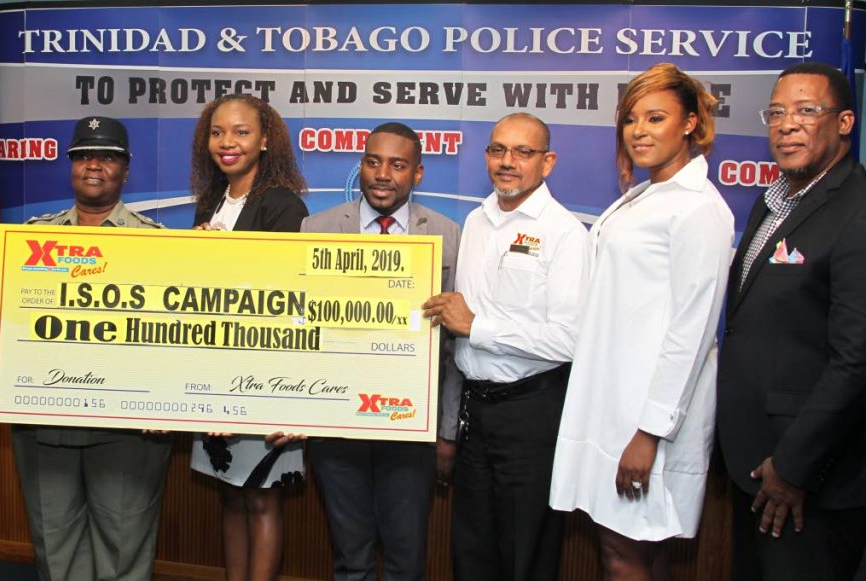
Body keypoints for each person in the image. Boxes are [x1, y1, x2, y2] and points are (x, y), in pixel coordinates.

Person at [549, 63, 733, 579]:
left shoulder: (698, 208)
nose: (640, 131)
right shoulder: (646, 196)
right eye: (631, 120)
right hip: (611, 405)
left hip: (648, 418)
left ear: (691, 123)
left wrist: (649, 433)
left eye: (656, 117)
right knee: (632, 550)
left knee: (625, 553)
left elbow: (691, 330)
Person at [423, 113, 589, 581]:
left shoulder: (565, 234)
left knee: (526, 554)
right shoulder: (476, 221)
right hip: (476, 413)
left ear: (547, 162)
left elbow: (571, 339)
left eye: (523, 152)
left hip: (531, 414)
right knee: (472, 551)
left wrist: (479, 327)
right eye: (498, 150)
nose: (508, 162)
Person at [717, 62, 866, 581]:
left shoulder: (856, 210)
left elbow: (856, 361)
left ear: (845, 122)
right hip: (751, 465)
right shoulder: (773, 201)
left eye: (807, 111)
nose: (787, 125)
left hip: (805, 483)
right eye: (776, 112)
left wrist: (794, 467)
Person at [10, 116, 172, 581]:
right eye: (83, 156)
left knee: (123, 551)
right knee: (55, 550)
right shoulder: (33, 239)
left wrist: (168, 400)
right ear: (70, 166)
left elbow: (171, 334)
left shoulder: (158, 243)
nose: (93, 166)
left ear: (125, 168)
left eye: (107, 157)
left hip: (127, 425)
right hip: (47, 418)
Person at [301, 122, 461, 581]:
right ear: (361, 166)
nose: (383, 174)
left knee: (406, 559)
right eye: (373, 162)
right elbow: (300, 329)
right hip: (337, 424)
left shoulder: (449, 234)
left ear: (419, 174)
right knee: (351, 559)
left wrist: (447, 428)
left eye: (397, 164)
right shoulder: (318, 228)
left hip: (410, 428)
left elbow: (453, 348)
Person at [188, 94, 309, 581]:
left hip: (265, 377)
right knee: (231, 496)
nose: (227, 142)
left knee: (261, 498)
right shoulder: (210, 201)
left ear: (264, 140)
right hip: (214, 373)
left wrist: (222, 256)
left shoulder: (282, 205)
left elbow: (282, 299)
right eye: (217, 132)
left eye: (240, 132)